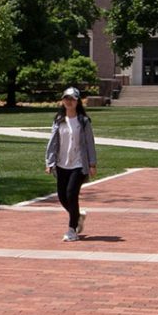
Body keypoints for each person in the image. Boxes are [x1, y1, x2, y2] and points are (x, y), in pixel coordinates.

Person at [43, 86, 97, 240]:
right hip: (61, 164)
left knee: (71, 194)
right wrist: (50, 162)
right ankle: (77, 215)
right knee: (62, 196)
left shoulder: (83, 121)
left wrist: (92, 164)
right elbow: (52, 143)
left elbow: (89, 143)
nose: (69, 101)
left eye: (72, 99)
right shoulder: (59, 120)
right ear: (62, 100)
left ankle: (72, 230)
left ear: (77, 101)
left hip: (79, 164)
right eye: (66, 98)